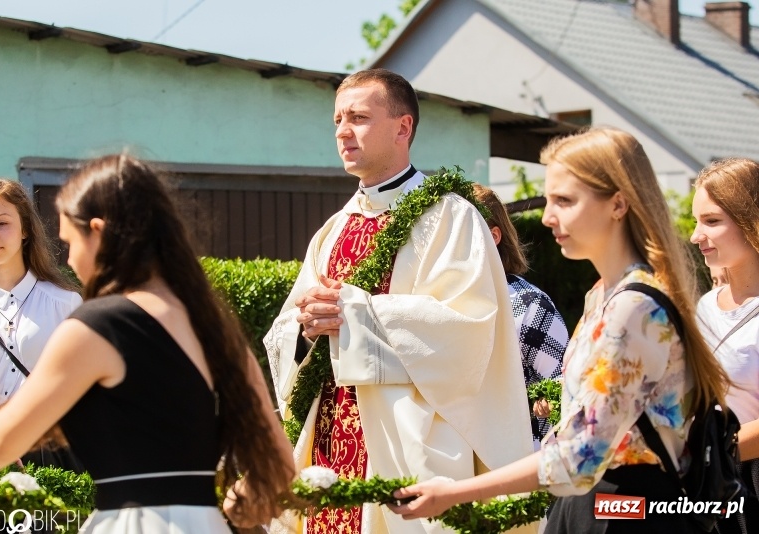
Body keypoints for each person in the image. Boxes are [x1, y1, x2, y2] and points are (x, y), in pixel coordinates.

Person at [389, 127, 729, 533]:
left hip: (627, 511)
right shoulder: (604, 295)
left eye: (564, 200)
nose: (548, 216)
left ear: (618, 204)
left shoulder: (632, 308)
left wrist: (457, 491)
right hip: (604, 505)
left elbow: (579, 456)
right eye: (550, 200)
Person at [0, 155, 295, 533]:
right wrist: (240, 504)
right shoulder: (214, 328)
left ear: (98, 233)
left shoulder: (100, 325)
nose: (69, 258)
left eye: (70, 242)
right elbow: (281, 465)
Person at [264, 68, 533, 534]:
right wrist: (306, 326)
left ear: (403, 127)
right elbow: (290, 328)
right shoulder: (332, 231)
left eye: (359, 117)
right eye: (337, 120)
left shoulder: (451, 217)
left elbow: (467, 329)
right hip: (329, 436)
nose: (343, 131)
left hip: (401, 440)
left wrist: (353, 312)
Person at [0, 179, 81, 465]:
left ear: (25, 230)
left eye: (2, 223)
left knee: (54, 514)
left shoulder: (65, 303)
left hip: (53, 453)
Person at [691, 158, 759, 534]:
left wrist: (705, 453)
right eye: (697, 220)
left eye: (712, 221)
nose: (695, 235)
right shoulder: (705, 306)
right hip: (707, 495)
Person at [473, 183, 568, 450]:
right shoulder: (437, 301)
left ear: (493, 236)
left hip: (520, 464)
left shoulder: (531, 305)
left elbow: (563, 393)